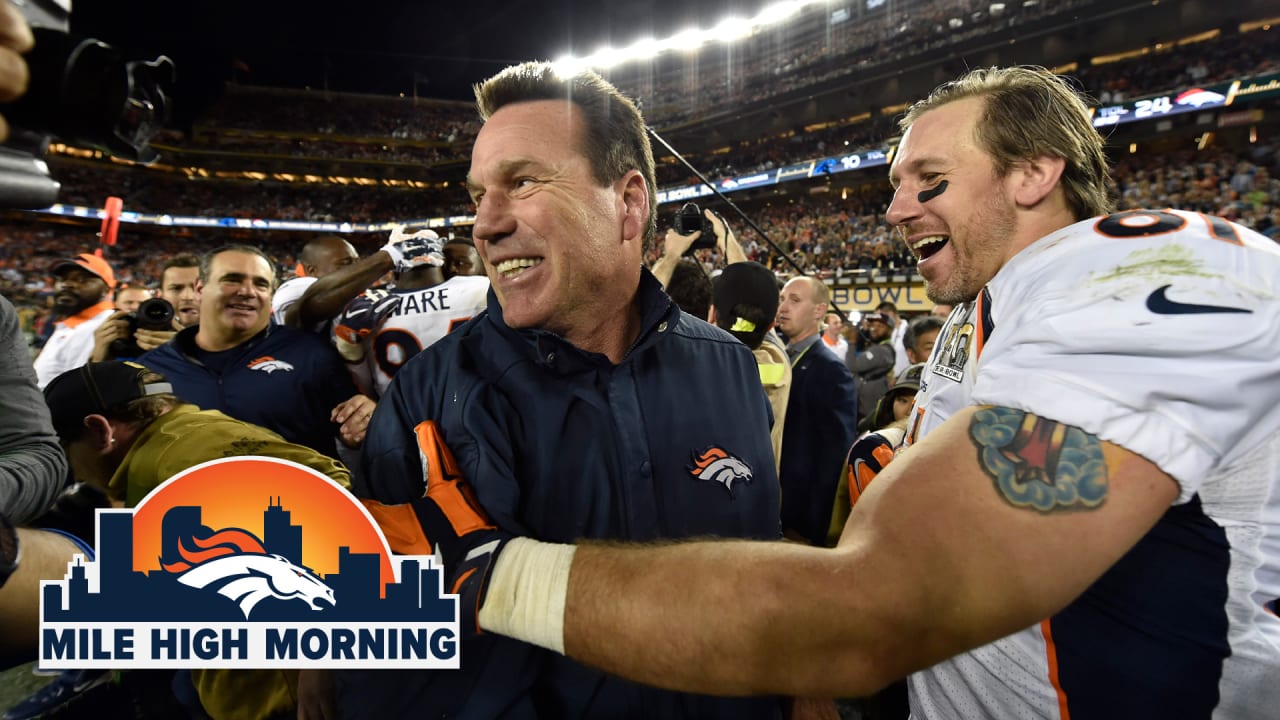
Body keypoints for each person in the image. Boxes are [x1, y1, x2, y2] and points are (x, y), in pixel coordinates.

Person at [407, 66, 1280, 718]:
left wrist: (499, 574)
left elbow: (868, 613)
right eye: (895, 184)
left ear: (1034, 173)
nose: (895, 211)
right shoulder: (985, 317)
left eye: (928, 180)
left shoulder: (1157, 268)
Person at [347, 61, 784, 719]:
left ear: (629, 203)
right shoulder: (424, 401)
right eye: (476, 195)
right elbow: (384, 662)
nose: (484, 225)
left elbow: (759, 561)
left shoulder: (727, 366)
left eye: (520, 183)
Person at [35, 361, 350, 720]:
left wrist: (321, 650)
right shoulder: (178, 440)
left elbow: (334, 499)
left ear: (99, 430)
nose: (71, 469)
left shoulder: (179, 459)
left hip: (288, 696)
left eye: (64, 448)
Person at [138, 245, 370, 459]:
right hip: (192, 502)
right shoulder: (151, 370)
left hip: (293, 501)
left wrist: (367, 416)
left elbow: (352, 430)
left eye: (260, 284)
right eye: (232, 280)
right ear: (200, 288)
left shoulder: (310, 353)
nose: (247, 291)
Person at [331, 238, 488, 399]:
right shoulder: (481, 288)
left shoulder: (367, 305)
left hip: (397, 411)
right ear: (439, 263)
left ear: (393, 271)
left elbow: (362, 386)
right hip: (470, 404)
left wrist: (349, 349)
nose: (452, 270)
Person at [775, 276, 859, 545]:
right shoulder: (780, 355)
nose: (783, 308)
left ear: (819, 311)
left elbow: (832, 459)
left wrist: (812, 528)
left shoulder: (831, 370)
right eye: (782, 299)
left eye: (795, 300)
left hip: (798, 523)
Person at [32, 253, 117, 389]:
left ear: (105, 289)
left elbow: (77, 391)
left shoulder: (103, 325)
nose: (67, 285)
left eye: (82, 279)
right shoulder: (77, 322)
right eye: (63, 279)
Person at [271, 235, 359, 331]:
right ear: (312, 271)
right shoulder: (294, 288)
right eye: (345, 263)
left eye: (357, 262)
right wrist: (378, 260)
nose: (357, 268)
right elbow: (324, 291)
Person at [847, 309, 896, 422]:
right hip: (868, 403)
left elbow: (852, 366)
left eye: (880, 326)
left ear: (890, 330)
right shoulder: (879, 348)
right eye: (873, 325)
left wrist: (851, 342)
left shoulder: (881, 350)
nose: (875, 328)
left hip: (868, 409)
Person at [158, 254, 201, 328]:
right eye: (176, 288)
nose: (188, 297)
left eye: (198, 288)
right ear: (160, 295)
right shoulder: (140, 335)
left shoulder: (227, 335)